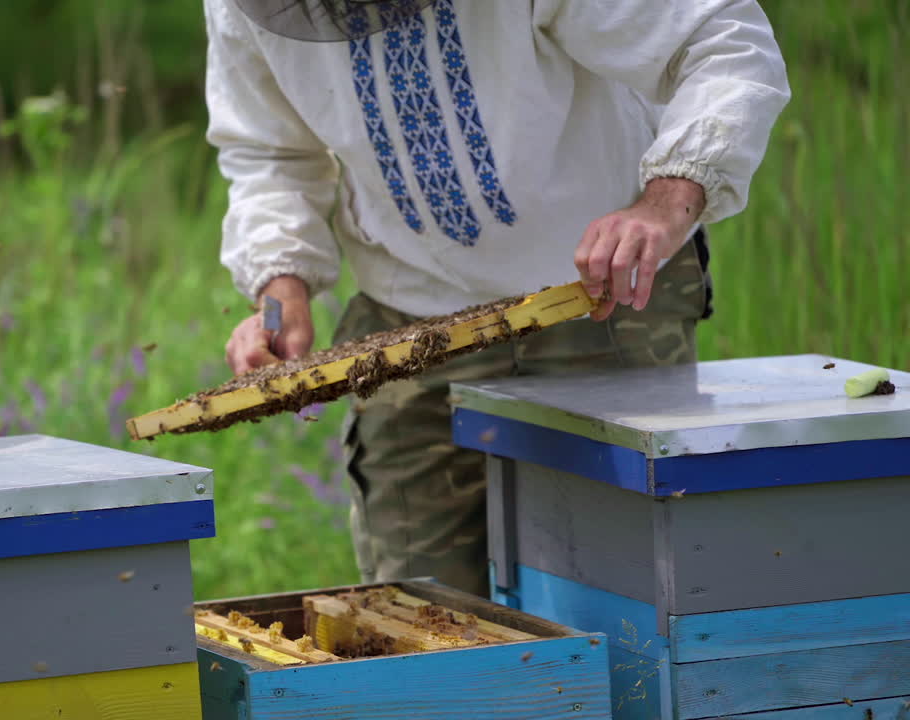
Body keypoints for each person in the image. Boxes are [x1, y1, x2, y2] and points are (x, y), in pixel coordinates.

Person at [204, 0, 789, 596]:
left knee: (619, 596)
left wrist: (665, 203)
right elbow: (269, 151)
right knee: (418, 607)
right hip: (408, 321)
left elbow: (722, 42)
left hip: (602, 297)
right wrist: (282, 285)